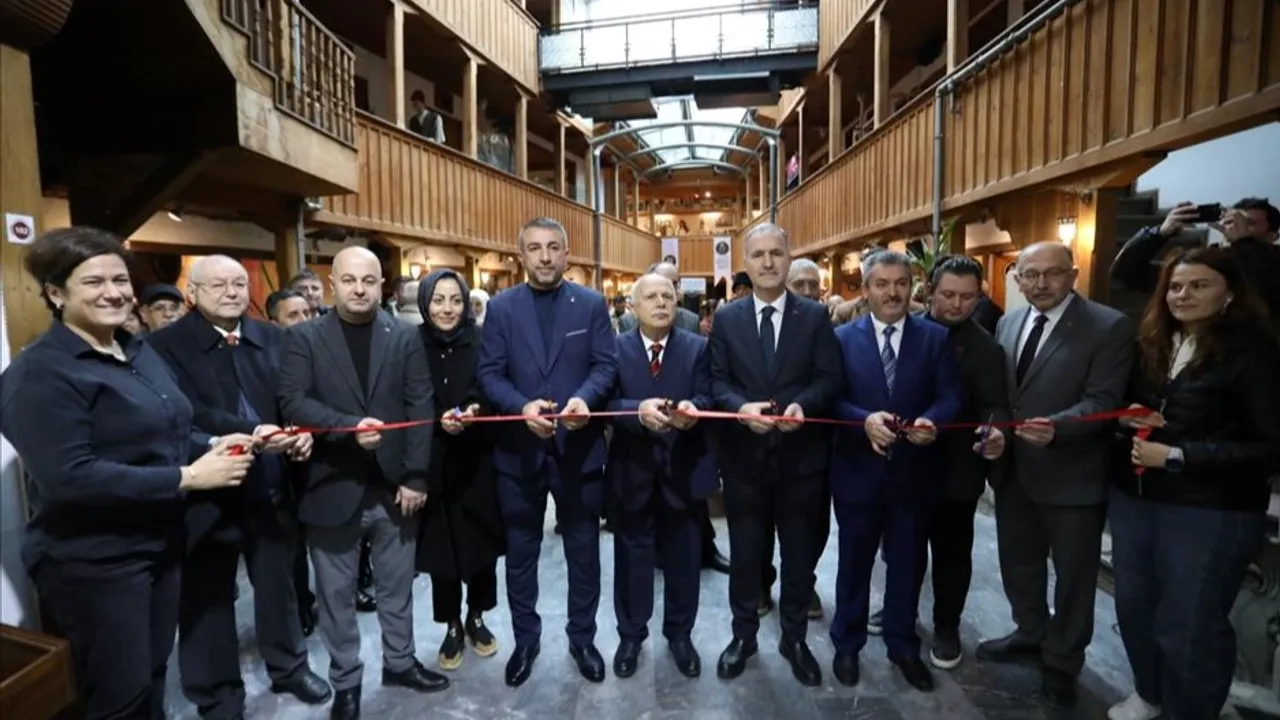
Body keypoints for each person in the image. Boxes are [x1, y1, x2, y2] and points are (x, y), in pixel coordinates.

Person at [0, 227, 253, 719]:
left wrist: (210, 444)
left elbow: (170, 427)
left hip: (160, 541)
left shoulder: (135, 350)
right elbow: (68, 477)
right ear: (56, 293)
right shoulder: (40, 374)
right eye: (93, 282)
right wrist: (187, 477)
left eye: (120, 280)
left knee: (153, 672)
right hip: (96, 562)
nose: (113, 292)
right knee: (118, 694)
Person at [148, 256, 330, 715]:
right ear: (192, 293)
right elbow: (181, 414)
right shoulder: (163, 346)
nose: (230, 292)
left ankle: (289, 667)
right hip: (205, 488)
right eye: (217, 285)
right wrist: (253, 432)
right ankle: (217, 695)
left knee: (279, 584)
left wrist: (300, 432)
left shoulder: (272, 336)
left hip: (271, 483)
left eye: (237, 284)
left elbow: (294, 397)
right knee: (207, 597)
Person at [1108, 247, 1279, 720]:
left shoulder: (1255, 353)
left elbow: (1270, 446)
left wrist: (1179, 456)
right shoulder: (1153, 341)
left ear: (1230, 294)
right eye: (1176, 286)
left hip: (1210, 508)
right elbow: (1129, 403)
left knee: (1189, 622)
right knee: (1135, 607)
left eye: (1199, 285)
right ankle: (1149, 693)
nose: (1183, 295)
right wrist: (1127, 417)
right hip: (1136, 496)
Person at [278, 247, 448, 720]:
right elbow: (293, 401)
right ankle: (346, 681)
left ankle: (400, 663)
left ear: (381, 286)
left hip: (395, 487)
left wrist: (416, 475)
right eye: (349, 280)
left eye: (368, 281)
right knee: (335, 596)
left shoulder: (404, 335)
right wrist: (347, 426)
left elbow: (421, 404)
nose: (359, 289)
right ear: (332, 284)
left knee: (397, 587)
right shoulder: (305, 337)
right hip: (332, 484)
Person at [980, 242, 1135, 709]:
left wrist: (1058, 428)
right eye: (1030, 275)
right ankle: (1029, 630)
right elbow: (1004, 395)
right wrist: (995, 430)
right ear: (1017, 278)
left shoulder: (1108, 326)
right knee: (1019, 563)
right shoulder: (1008, 322)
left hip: (1072, 474)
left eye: (1052, 273)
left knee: (1073, 578)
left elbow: (1104, 400)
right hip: (1014, 471)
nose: (1041, 284)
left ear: (1074, 274)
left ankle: (1063, 660)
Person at [477, 217, 618, 687]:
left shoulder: (591, 304)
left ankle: (583, 639)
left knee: (583, 552)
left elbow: (605, 366)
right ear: (521, 255)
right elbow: (490, 373)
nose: (544, 256)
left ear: (566, 254)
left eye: (553, 247)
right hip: (519, 453)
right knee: (521, 555)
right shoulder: (501, 308)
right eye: (535, 248)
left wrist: (585, 399)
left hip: (578, 449)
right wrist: (521, 407)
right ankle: (526, 641)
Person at [707, 223, 843, 686]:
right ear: (745, 263)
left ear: (788, 257)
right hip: (744, 461)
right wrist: (738, 408)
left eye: (776, 253)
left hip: (801, 460)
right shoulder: (727, 318)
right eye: (758, 255)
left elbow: (830, 378)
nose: (768, 262)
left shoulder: (815, 317)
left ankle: (795, 639)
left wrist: (805, 404)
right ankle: (743, 637)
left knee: (799, 560)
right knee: (746, 558)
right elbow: (716, 381)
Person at [828, 250, 963, 691]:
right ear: (865, 290)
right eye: (882, 284)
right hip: (857, 472)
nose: (893, 292)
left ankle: (903, 646)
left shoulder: (935, 338)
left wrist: (933, 422)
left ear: (912, 288)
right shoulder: (842, 339)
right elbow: (831, 400)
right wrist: (862, 420)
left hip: (914, 474)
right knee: (853, 564)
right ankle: (847, 645)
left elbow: (950, 397)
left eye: (901, 283)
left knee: (907, 565)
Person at [607, 273, 717, 680]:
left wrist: (694, 410)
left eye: (667, 296)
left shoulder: (697, 347)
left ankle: (680, 635)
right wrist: (636, 412)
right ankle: (631, 635)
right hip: (632, 471)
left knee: (685, 558)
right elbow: (606, 401)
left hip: (683, 469)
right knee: (631, 558)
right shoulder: (615, 349)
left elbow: (708, 395)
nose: (660, 303)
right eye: (650, 296)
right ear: (633, 306)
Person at [413, 270, 505, 671]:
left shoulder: (482, 339)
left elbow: (492, 384)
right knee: (442, 550)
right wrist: (438, 417)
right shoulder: (411, 343)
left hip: (477, 459)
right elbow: (408, 394)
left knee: (481, 545)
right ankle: (451, 623)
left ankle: (477, 616)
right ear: (425, 304)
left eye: (455, 300)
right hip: (433, 460)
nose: (447, 309)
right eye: (438, 300)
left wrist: (473, 409)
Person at [265, 288, 318, 636]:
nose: (303, 321)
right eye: (293, 315)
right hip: (279, 461)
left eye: (307, 313)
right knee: (292, 544)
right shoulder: (267, 357)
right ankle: (299, 604)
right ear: (274, 323)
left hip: (318, 455)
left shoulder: (320, 350)